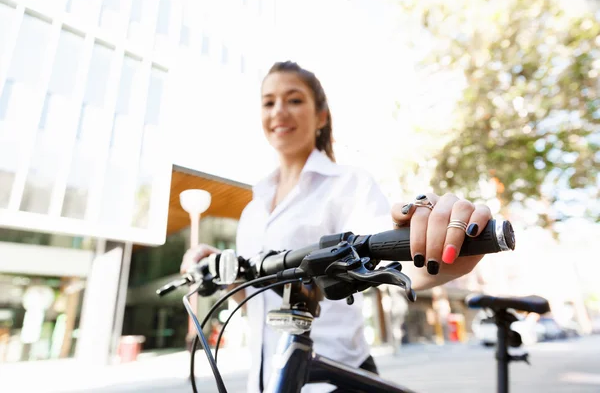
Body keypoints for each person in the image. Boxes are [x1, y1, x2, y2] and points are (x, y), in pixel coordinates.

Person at [180, 61, 492, 392]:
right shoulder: (253, 207)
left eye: (294, 99)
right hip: (268, 381)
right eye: (268, 102)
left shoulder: (348, 184)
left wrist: (439, 248)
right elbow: (250, 293)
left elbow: (383, 254)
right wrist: (220, 268)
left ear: (321, 116)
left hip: (333, 379)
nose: (279, 111)